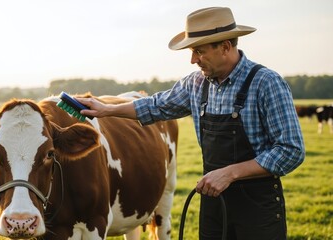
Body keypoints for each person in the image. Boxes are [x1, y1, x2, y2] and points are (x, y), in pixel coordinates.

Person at [77, 6, 304, 240]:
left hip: (258, 209)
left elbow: (291, 150)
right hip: (214, 203)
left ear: (225, 47)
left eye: (199, 51)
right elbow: (156, 105)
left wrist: (230, 174)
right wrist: (108, 110)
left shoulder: (267, 83)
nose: (193, 59)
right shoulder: (196, 84)